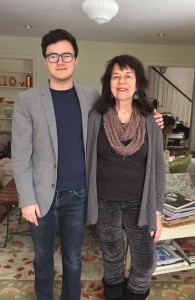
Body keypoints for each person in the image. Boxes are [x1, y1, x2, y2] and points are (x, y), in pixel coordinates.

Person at [11, 29, 164, 300]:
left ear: (76, 60)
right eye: (53, 55)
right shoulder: (28, 101)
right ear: (45, 60)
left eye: (66, 55)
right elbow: (20, 153)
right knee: (43, 258)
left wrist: (155, 119)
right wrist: (26, 197)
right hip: (41, 195)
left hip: (79, 194)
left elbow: (126, 112)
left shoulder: (90, 98)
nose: (61, 60)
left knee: (73, 259)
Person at [86, 54, 166, 300]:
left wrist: (158, 211)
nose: (122, 81)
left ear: (138, 83)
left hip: (139, 202)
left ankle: (135, 292)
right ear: (108, 83)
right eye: (116, 76)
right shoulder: (95, 117)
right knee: (112, 255)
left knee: (145, 260)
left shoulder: (151, 119)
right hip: (104, 200)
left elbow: (159, 168)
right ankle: (114, 294)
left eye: (128, 76)